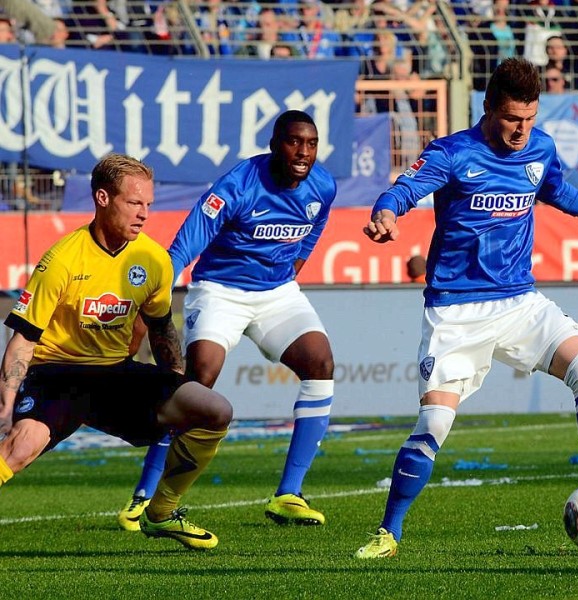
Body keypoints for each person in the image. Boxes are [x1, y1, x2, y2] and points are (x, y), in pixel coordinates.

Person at [354, 57, 578, 559]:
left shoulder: (540, 147)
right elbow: (405, 189)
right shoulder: (454, 152)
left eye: (529, 118)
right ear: (488, 108)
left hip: (520, 300)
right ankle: (389, 532)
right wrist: (385, 214)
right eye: (511, 119)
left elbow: (557, 192)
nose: (522, 130)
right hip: (456, 312)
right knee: (434, 425)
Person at [0, 153, 233, 550]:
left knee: (214, 410)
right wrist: (4, 410)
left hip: (115, 374)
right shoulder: (62, 259)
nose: (144, 214)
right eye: (134, 203)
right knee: (20, 446)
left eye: (148, 205)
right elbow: (23, 340)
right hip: (58, 374)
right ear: (103, 198)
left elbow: (161, 329)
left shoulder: (153, 259)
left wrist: (175, 384)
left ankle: (161, 513)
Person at [118, 110, 336, 529]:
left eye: (310, 144)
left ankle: (289, 494)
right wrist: (153, 296)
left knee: (320, 363)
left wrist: (299, 260)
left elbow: (316, 222)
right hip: (220, 290)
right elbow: (186, 244)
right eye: (294, 142)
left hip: (276, 293)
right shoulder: (237, 186)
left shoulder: (323, 184)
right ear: (274, 144)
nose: (303, 152)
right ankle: (145, 495)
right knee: (199, 381)